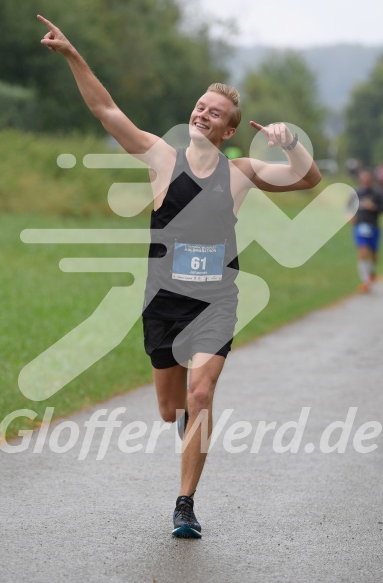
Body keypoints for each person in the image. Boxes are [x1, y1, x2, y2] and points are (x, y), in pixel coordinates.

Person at [37, 14, 321, 539]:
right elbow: (105, 109)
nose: (204, 115)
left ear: (230, 129)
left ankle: (185, 503)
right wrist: (75, 55)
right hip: (163, 302)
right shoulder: (161, 159)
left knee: (201, 395)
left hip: (216, 302)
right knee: (171, 411)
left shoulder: (240, 174)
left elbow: (308, 177)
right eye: (200, 107)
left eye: (216, 114)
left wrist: (290, 140)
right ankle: (187, 428)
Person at [347, 170, 383, 293]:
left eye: (368, 178)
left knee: (373, 255)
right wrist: (349, 216)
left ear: (371, 179)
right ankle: (365, 282)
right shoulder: (356, 193)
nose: (366, 180)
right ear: (361, 179)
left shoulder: (377, 193)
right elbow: (348, 207)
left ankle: (371, 272)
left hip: (373, 226)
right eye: (364, 178)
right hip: (360, 225)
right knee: (362, 251)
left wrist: (373, 207)